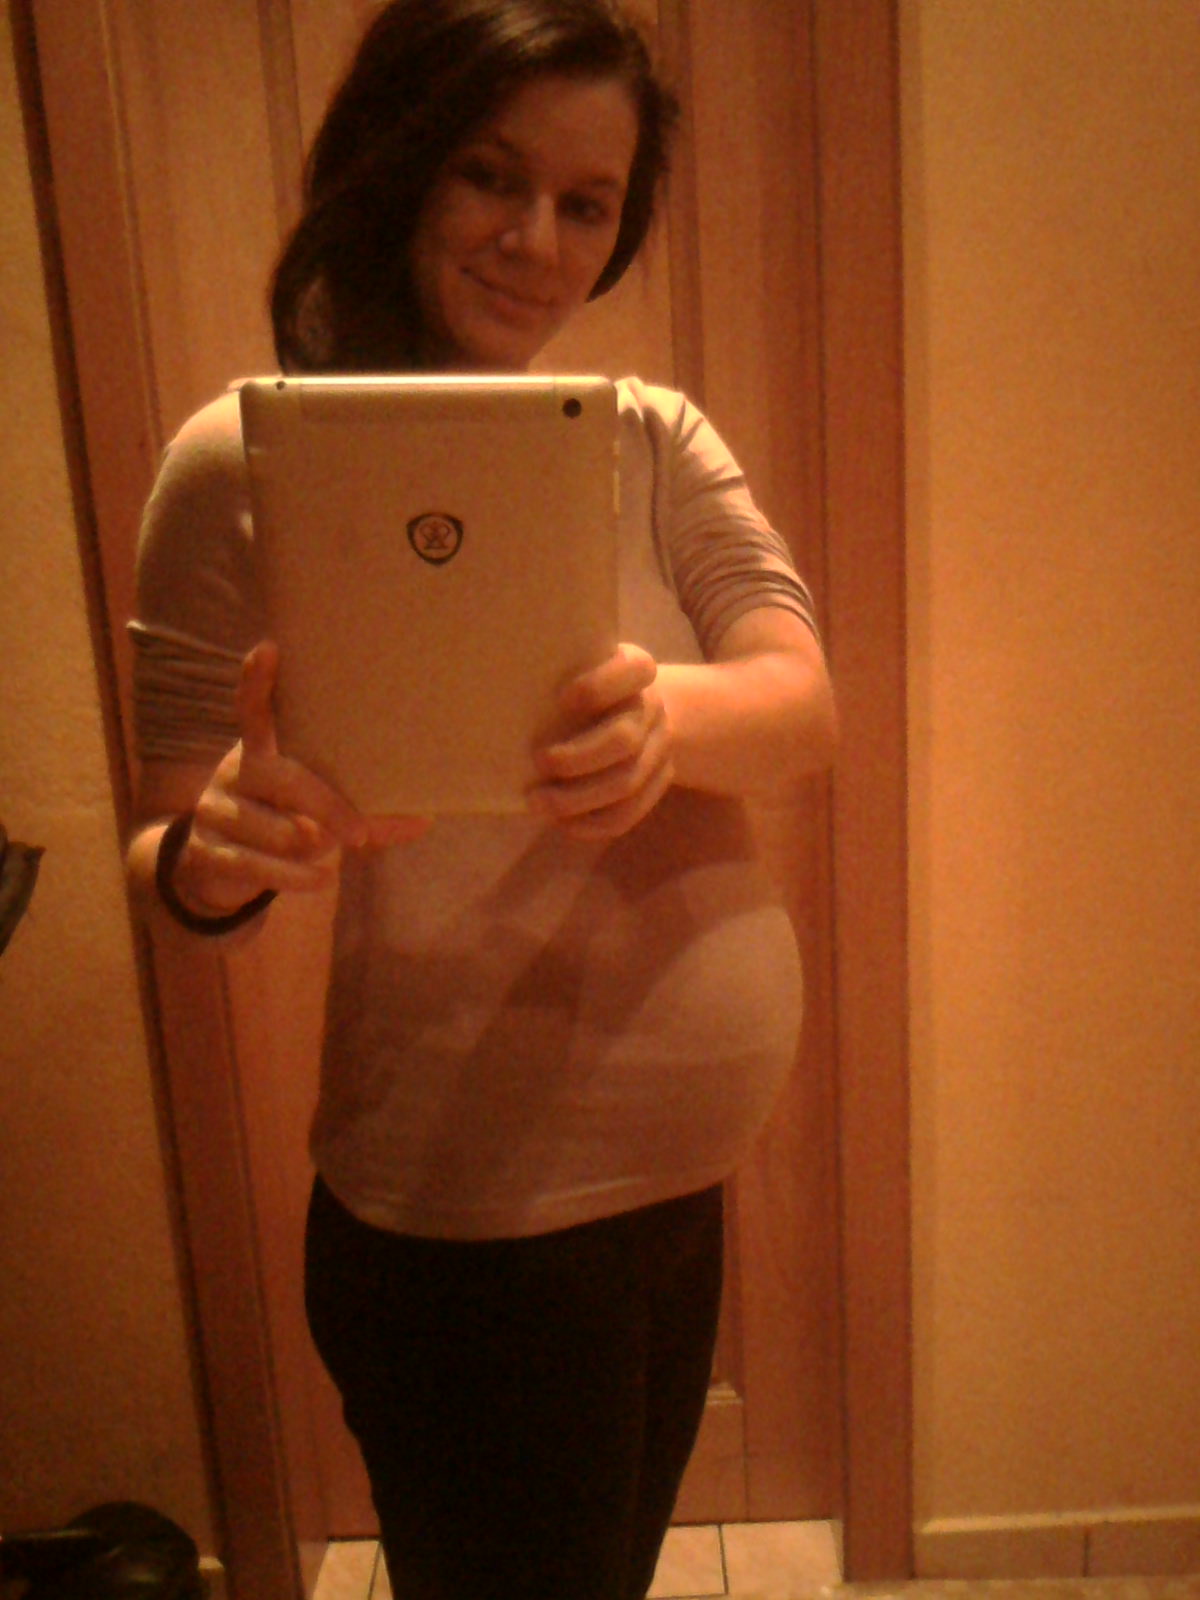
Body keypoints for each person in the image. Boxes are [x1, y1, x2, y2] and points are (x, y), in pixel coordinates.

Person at [125, 1, 837, 1596]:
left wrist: (661, 715)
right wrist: (218, 854)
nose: (537, 243)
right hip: (474, 1233)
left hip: (678, 1189)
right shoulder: (236, 465)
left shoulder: (648, 440)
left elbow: (803, 703)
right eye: (490, 177)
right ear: (398, 163)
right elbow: (166, 844)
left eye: (586, 204)